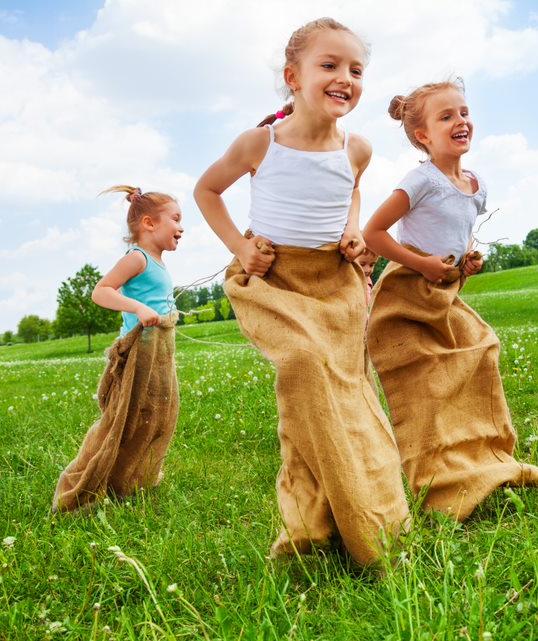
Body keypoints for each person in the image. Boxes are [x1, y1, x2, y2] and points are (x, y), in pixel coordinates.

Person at [194, 17, 409, 565]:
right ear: (294, 76)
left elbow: (352, 193)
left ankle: (344, 518)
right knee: (303, 364)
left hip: (334, 285)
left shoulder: (356, 149)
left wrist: (353, 230)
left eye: (356, 70)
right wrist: (241, 251)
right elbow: (207, 190)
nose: (345, 78)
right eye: (330, 65)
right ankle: (330, 520)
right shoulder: (260, 143)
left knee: (342, 397)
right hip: (273, 280)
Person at [363, 80, 538, 522]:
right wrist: (422, 264)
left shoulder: (475, 184)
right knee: (427, 382)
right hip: (408, 293)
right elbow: (374, 233)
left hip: (445, 290)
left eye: (463, 112)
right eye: (446, 117)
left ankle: (489, 463)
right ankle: (438, 484)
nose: (460, 121)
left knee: (480, 352)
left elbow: (457, 232)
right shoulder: (419, 180)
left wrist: (466, 262)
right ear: (423, 136)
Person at [53, 185, 183, 513]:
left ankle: (133, 479)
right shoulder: (137, 258)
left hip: (159, 353)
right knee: (122, 419)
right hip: (138, 352)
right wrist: (138, 308)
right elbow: (101, 291)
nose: (182, 228)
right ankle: (78, 491)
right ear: (149, 223)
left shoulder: (157, 262)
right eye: (176, 219)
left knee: (156, 416)